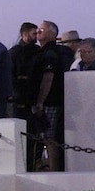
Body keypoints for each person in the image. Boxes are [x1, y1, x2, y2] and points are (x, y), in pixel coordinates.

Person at [8, 22, 43, 170]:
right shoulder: (14, 52)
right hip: (18, 101)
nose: (37, 36)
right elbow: (9, 76)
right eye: (34, 33)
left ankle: (33, 166)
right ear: (24, 34)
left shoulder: (38, 52)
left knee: (34, 137)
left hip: (33, 99)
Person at [33, 20, 66, 171]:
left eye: (42, 29)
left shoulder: (50, 53)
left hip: (50, 101)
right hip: (50, 100)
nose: (38, 32)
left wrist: (40, 101)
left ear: (52, 34)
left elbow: (48, 78)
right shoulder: (44, 51)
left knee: (49, 137)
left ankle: (53, 170)